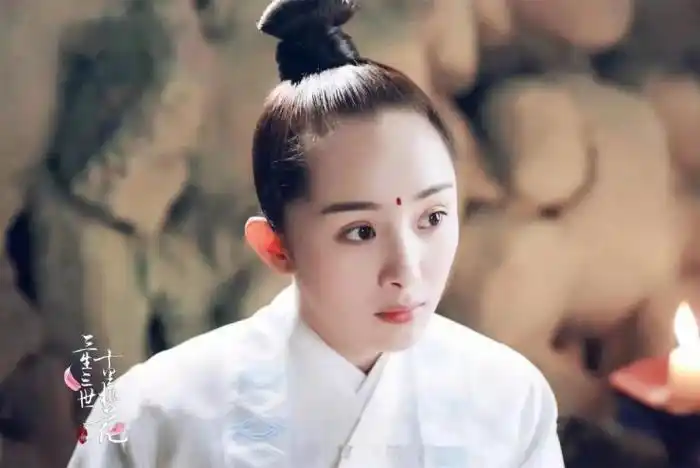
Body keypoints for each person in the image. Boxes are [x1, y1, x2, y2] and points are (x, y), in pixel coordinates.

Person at [67, 0, 565, 466]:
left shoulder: (510, 400)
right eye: (361, 231)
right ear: (276, 246)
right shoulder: (154, 414)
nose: (408, 270)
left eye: (432, 218)